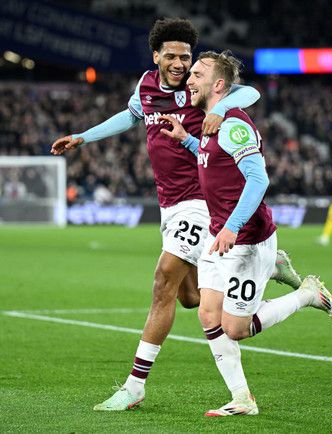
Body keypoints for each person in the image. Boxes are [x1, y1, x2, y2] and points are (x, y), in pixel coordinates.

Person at [50, 18, 302, 411]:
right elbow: (130, 116)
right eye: (171, 56)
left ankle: (134, 386)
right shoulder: (146, 86)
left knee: (163, 279)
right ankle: (267, 267)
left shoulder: (198, 88)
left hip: (199, 202)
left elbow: (249, 92)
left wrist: (225, 107)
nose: (180, 64)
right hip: (169, 205)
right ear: (156, 56)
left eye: (186, 56)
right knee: (189, 298)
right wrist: (84, 136)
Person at [160, 50, 332, 417]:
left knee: (236, 328)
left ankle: (306, 294)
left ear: (218, 85)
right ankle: (242, 398)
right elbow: (214, 160)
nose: (189, 79)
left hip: (246, 240)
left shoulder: (233, 124)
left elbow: (258, 180)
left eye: (197, 75)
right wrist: (186, 140)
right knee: (208, 315)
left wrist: (232, 226)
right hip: (218, 236)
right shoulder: (211, 122)